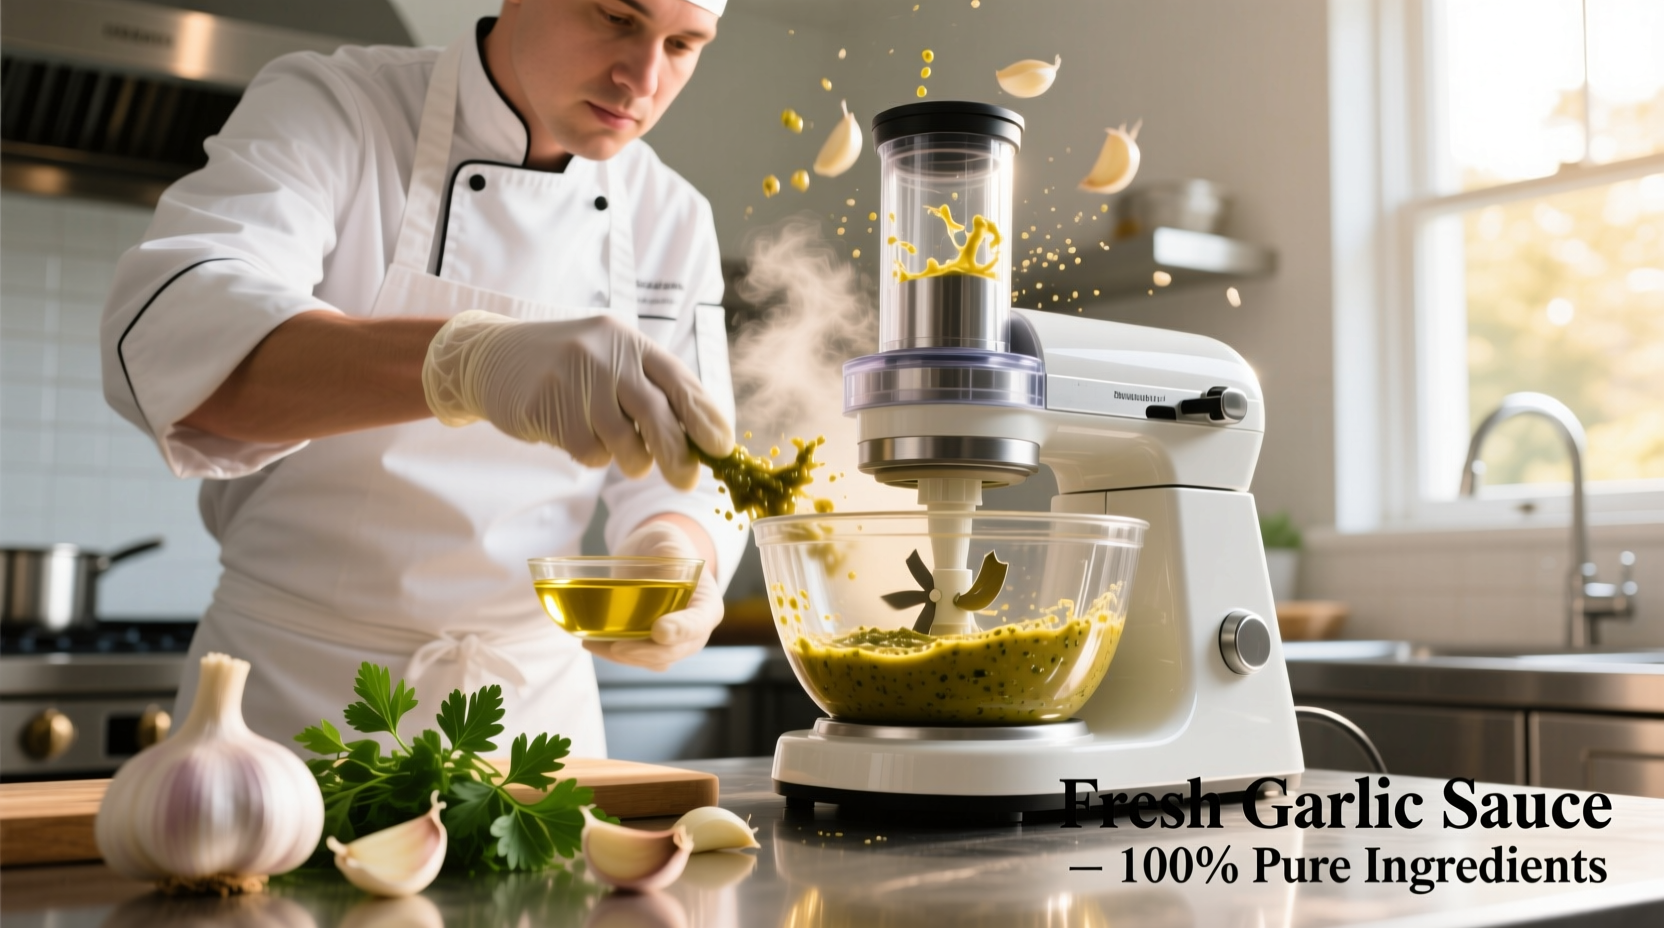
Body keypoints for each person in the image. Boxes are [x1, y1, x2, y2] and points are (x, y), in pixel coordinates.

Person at [98, 0, 742, 757]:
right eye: (614, 18)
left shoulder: (671, 216)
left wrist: (678, 554)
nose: (642, 78)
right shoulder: (339, 110)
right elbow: (178, 339)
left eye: (683, 44)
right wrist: (464, 361)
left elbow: (689, 467)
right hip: (296, 708)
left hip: (530, 716)